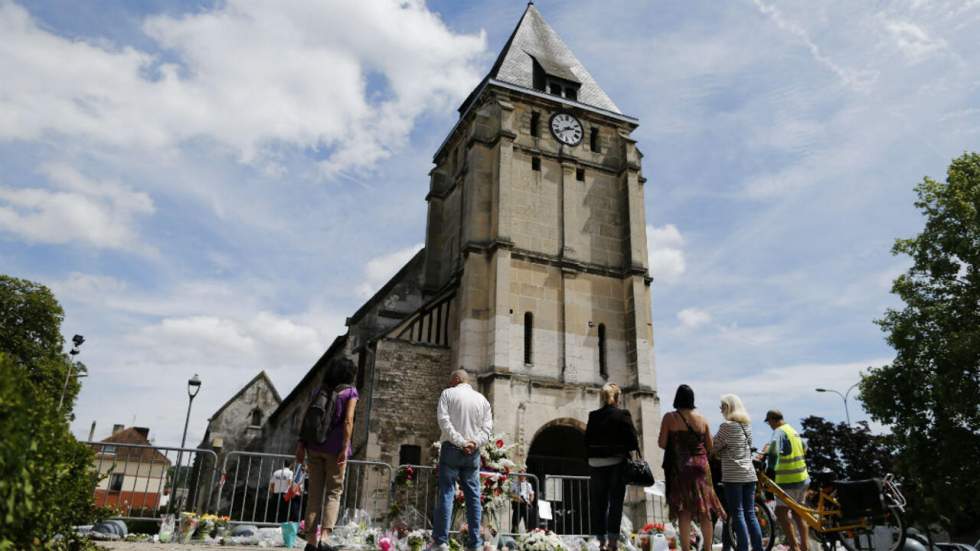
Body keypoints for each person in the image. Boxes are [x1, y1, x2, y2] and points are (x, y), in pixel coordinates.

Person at [295, 357, 359, 551]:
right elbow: (348, 421)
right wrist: (345, 447)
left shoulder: (319, 391)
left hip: (314, 447)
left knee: (314, 493)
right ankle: (324, 538)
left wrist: (301, 445)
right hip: (336, 450)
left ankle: (311, 541)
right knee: (333, 492)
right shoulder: (350, 392)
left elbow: (308, 420)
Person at [433, 369, 493, 551]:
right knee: (473, 497)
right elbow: (487, 429)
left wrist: (460, 441)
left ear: (457, 379)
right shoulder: (482, 400)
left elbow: (443, 421)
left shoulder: (447, 394)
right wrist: (473, 443)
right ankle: (475, 543)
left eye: (451, 381)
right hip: (472, 453)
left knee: (447, 492)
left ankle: (441, 541)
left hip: (452, 449)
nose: (450, 384)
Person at [658, 385, 724, 551]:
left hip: (681, 469)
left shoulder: (669, 417)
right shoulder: (702, 419)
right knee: (705, 510)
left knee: (684, 511)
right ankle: (708, 548)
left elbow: (662, 443)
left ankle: (686, 549)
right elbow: (710, 446)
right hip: (702, 468)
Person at [585, 383, 640, 551]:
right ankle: (613, 542)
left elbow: (586, 440)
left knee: (598, 502)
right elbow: (632, 442)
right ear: (617, 398)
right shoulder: (622, 414)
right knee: (615, 502)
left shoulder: (593, 416)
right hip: (615, 463)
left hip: (596, 463)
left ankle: (600, 540)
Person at [713, 395, 763, 551]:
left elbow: (714, 447)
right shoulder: (746, 426)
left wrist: (719, 453)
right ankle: (758, 548)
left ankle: (742, 548)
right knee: (750, 514)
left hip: (733, 476)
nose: (721, 411)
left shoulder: (726, 426)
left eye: (722, 407)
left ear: (728, 407)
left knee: (737, 513)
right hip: (750, 475)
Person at [764, 410, 809, 551]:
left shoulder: (779, 432)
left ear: (772, 420)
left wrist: (768, 469)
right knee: (798, 513)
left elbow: (772, 453)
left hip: (787, 480)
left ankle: (794, 546)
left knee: (780, 512)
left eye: (769, 422)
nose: (769, 425)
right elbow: (805, 448)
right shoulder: (793, 431)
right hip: (803, 478)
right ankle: (805, 546)